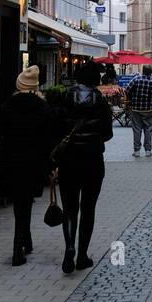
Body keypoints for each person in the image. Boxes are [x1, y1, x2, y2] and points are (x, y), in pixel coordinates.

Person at [0, 66, 54, 267]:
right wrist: (51, 165)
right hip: (33, 161)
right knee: (26, 200)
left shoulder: (7, 106)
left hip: (11, 160)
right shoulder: (42, 108)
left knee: (19, 201)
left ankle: (24, 240)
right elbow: (49, 139)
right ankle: (19, 245)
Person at [55, 61, 113, 274]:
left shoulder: (65, 97)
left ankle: (69, 247)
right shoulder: (100, 100)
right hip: (92, 160)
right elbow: (108, 133)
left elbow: (57, 126)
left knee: (70, 208)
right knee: (88, 208)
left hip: (69, 160)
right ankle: (82, 256)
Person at [127, 64, 152, 158]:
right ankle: (148, 151)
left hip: (136, 109)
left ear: (142, 71)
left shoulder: (135, 79)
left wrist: (131, 101)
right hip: (150, 110)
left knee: (137, 130)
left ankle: (137, 151)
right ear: (151, 72)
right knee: (148, 130)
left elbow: (127, 90)